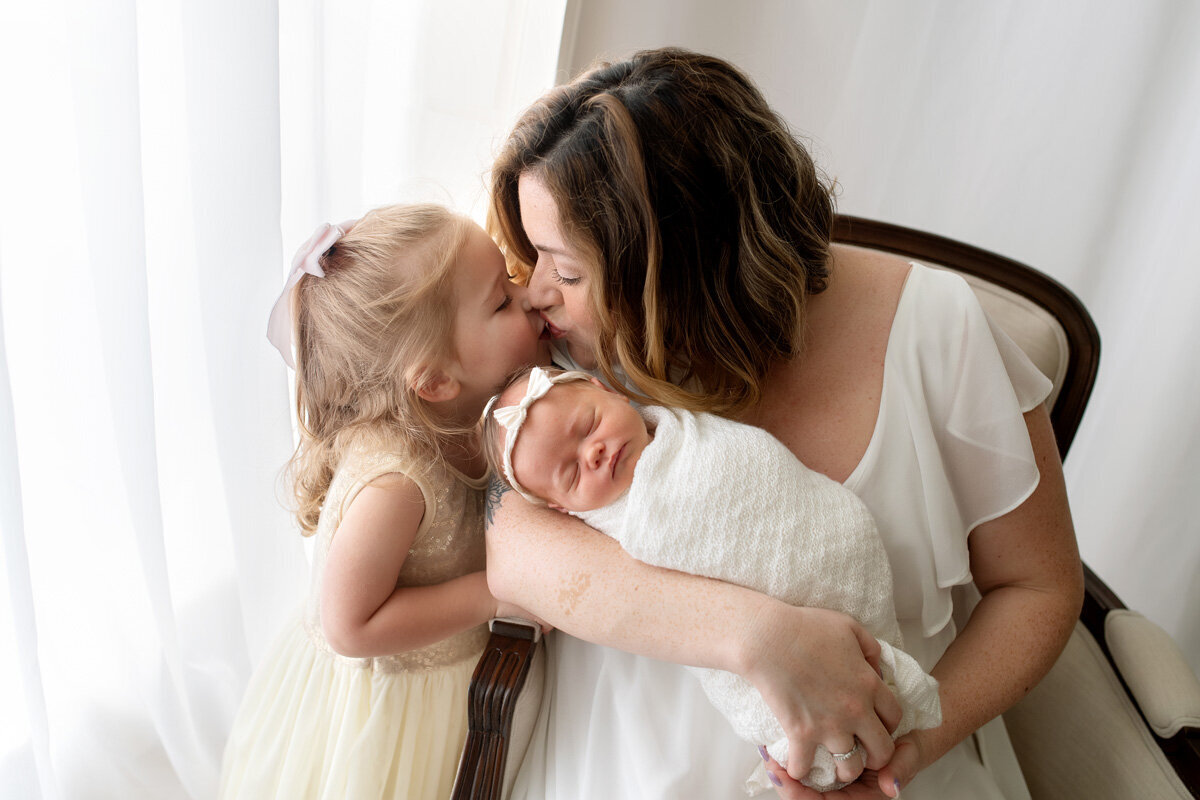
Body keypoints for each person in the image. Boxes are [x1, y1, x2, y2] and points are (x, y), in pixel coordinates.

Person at [484, 47, 1084, 799]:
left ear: (680, 275)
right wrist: (758, 639)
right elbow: (511, 548)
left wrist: (899, 758)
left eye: (565, 270)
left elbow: (1038, 587)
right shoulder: (579, 356)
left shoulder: (938, 335)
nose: (537, 292)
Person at [218, 204, 551, 800]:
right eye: (500, 300)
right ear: (435, 380)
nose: (527, 295)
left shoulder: (462, 417)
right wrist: (500, 592)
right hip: (383, 715)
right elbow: (349, 624)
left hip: (442, 688)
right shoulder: (397, 483)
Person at [480, 365, 942, 794]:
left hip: (828, 547)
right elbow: (513, 568)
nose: (594, 451)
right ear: (562, 510)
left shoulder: (682, 430)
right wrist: (761, 635)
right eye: (572, 472)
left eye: (588, 425)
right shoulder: (611, 523)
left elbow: (755, 473)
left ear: (607, 389)